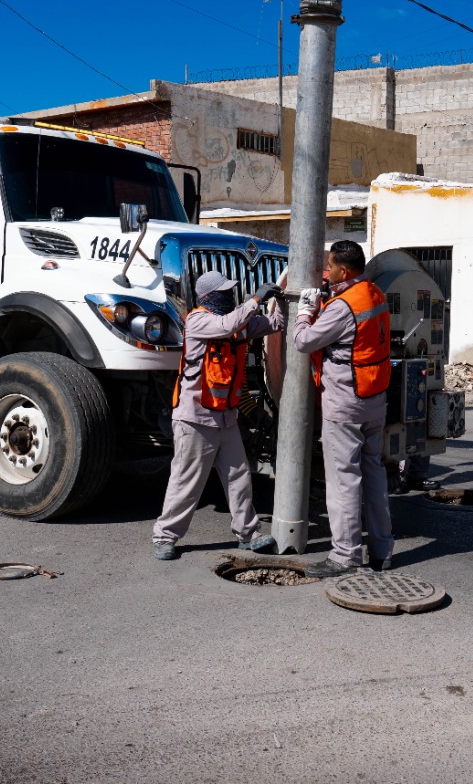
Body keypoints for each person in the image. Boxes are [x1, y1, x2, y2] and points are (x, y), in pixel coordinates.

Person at [151, 270, 284, 560]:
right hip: (195, 418)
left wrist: (280, 301)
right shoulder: (199, 320)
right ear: (210, 297)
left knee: (238, 477)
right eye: (224, 292)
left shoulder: (236, 322)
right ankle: (165, 536)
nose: (229, 296)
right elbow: (227, 325)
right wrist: (257, 298)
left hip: (226, 418)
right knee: (187, 481)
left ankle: (248, 534)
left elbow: (276, 324)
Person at [293, 240, 394, 577]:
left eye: (330, 266)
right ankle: (382, 550)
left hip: (345, 405)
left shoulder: (342, 307)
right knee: (375, 476)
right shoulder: (374, 293)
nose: (326, 271)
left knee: (344, 481)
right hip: (374, 401)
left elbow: (304, 342)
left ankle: (345, 556)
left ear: (344, 270)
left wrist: (306, 312)